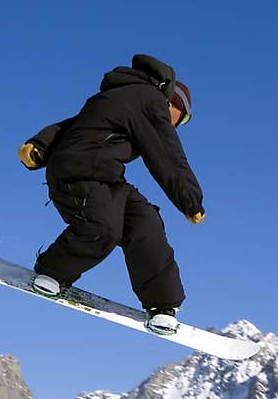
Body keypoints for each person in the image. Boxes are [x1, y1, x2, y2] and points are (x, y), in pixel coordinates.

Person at [16, 54, 204, 335]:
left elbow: (76, 123)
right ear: (175, 104)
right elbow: (167, 156)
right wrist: (190, 200)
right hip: (76, 174)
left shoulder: (124, 97)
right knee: (102, 228)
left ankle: (162, 304)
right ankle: (53, 271)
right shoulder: (150, 102)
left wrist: (40, 144)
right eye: (182, 120)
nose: (177, 127)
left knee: (144, 221)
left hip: (106, 178)